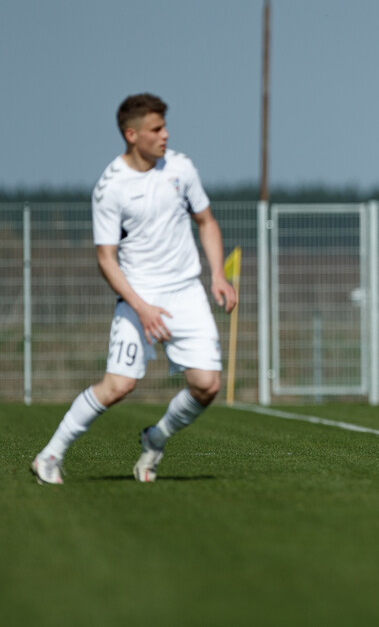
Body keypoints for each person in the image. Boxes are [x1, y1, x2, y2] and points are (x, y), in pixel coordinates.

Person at [30, 93, 237, 485]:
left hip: (185, 292)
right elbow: (106, 258)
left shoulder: (181, 168)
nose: (165, 135)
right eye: (156, 129)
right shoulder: (111, 188)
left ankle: (155, 439)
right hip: (138, 296)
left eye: (164, 127)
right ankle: (49, 455)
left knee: (207, 385)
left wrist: (218, 275)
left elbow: (206, 221)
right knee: (119, 385)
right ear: (131, 134)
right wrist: (141, 308)